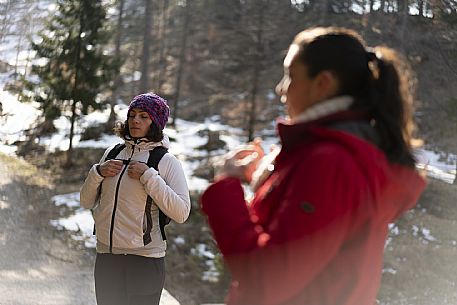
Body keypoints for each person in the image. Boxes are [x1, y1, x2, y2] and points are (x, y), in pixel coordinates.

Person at [200, 27, 426, 305]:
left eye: (290, 76)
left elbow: (268, 278)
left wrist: (225, 187)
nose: (280, 89)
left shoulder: (331, 162)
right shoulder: (335, 153)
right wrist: (270, 181)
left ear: (323, 83)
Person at [80, 92, 191, 305]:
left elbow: (182, 212)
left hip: (145, 260)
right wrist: (97, 173)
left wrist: (149, 176)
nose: (135, 120)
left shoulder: (166, 161)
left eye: (143, 116)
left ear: (155, 123)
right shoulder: (112, 153)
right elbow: (86, 202)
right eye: (132, 115)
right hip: (107, 256)